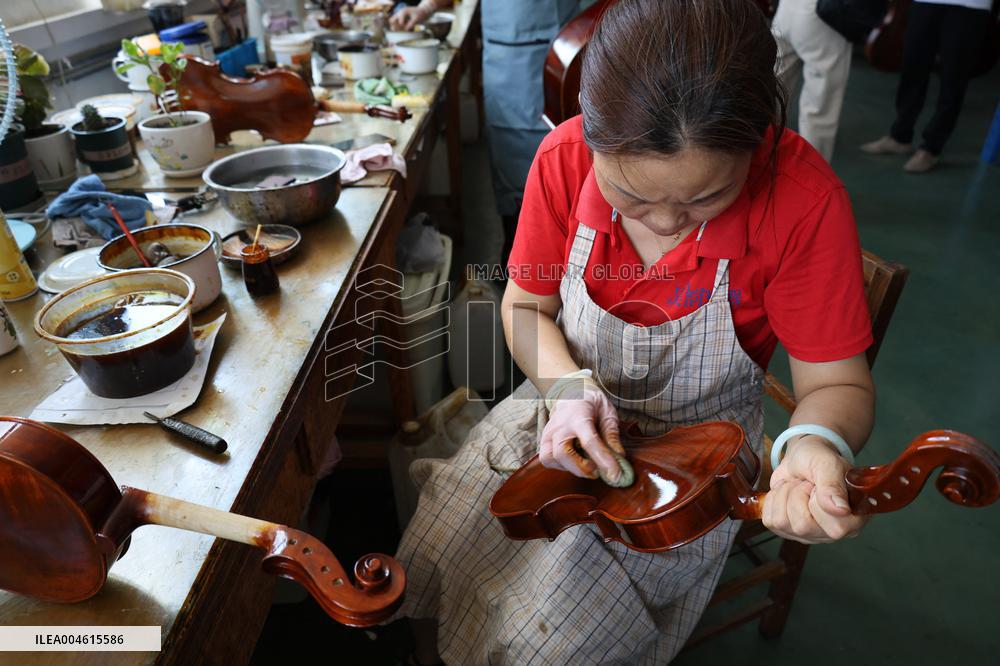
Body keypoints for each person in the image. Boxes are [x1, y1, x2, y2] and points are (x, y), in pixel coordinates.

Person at [392, 0, 877, 663]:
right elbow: (526, 310)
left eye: (705, 198)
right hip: (564, 410)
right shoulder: (561, 161)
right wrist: (566, 389)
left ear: (758, 140)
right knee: (444, 536)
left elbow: (838, 382)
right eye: (631, 196)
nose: (668, 223)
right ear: (592, 138)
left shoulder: (801, 202)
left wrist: (818, 444)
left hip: (699, 457)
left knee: (557, 625)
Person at [390, 0, 588, 266]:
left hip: (560, 47)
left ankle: (561, 258)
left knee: (563, 165)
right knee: (509, 164)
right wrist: (426, 8)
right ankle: (517, 253)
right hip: (504, 57)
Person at [861, 0, 995, 172]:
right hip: (927, 2)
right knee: (912, 66)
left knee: (953, 77)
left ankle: (931, 148)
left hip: (969, 6)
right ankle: (900, 136)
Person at [772, 0, 854, 162]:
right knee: (820, 106)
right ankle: (812, 172)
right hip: (822, 15)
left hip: (786, 11)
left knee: (773, 87)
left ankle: (759, 157)